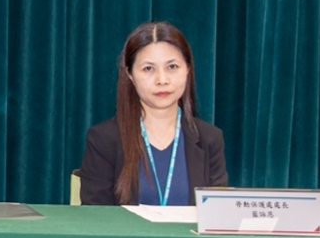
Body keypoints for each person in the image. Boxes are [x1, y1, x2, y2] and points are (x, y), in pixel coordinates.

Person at [79, 21, 227, 205]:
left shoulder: (209, 138)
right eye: (148, 69)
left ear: (188, 69)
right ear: (130, 74)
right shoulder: (103, 139)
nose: (162, 80)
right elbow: (95, 214)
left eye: (172, 67)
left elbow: (216, 212)